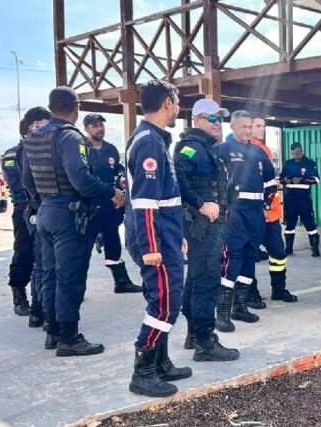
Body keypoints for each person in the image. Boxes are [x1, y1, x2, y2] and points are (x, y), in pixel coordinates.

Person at [22, 87, 125, 356]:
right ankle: (68, 338)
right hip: (69, 215)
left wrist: (45, 200)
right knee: (70, 278)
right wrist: (111, 191)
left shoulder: (34, 137)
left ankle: (52, 331)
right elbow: (81, 180)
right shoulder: (69, 136)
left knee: (50, 274)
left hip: (45, 211)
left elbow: (26, 181)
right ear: (76, 107)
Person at [124, 80, 191, 397]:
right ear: (168, 102)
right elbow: (146, 201)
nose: (178, 108)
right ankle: (144, 371)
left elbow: (166, 199)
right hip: (155, 240)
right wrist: (152, 247)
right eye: (177, 102)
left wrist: (176, 238)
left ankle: (161, 363)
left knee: (166, 300)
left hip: (166, 236)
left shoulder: (154, 140)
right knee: (164, 303)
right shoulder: (149, 142)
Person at [173, 99, 239, 362]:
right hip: (201, 225)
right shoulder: (190, 148)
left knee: (197, 277)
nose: (217, 124)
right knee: (206, 280)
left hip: (210, 224)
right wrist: (201, 204)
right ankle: (205, 342)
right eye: (212, 119)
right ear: (197, 120)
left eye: (219, 119)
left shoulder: (206, 149)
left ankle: (194, 333)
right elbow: (176, 178)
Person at [216, 111, 275, 329]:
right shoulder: (222, 150)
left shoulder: (259, 152)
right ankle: (222, 312)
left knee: (251, 257)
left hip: (255, 212)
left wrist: (267, 205)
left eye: (251, 127)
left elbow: (270, 181)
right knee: (232, 258)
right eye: (244, 127)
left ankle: (240, 306)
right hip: (234, 212)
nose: (248, 131)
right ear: (232, 126)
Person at [83, 113, 141, 294]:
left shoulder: (111, 150)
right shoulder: (82, 149)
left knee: (113, 240)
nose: (99, 128)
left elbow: (119, 173)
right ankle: (77, 289)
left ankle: (121, 282)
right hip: (89, 205)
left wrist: (121, 194)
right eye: (94, 126)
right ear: (87, 128)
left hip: (110, 204)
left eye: (101, 125)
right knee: (83, 248)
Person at [2, 107, 51, 321]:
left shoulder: (48, 149)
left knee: (45, 256)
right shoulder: (14, 154)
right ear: (29, 126)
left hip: (46, 208)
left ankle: (43, 297)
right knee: (24, 252)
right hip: (24, 210)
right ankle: (19, 295)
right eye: (38, 123)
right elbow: (18, 184)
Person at [247, 113, 298, 306]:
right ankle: (251, 294)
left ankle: (279, 290)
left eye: (263, 125)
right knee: (249, 255)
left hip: (272, 216)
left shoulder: (265, 150)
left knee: (278, 254)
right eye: (258, 126)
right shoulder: (246, 150)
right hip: (255, 214)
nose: (262, 129)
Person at [281, 142, 321, 257]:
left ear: (301, 151)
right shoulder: (288, 163)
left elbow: (316, 180)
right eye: (293, 154)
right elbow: (280, 179)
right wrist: (285, 180)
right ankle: (288, 248)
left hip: (303, 197)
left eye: (297, 154)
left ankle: (315, 248)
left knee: (309, 222)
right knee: (289, 223)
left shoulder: (309, 163)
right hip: (290, 197)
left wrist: (302, 180)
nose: (295, 157)